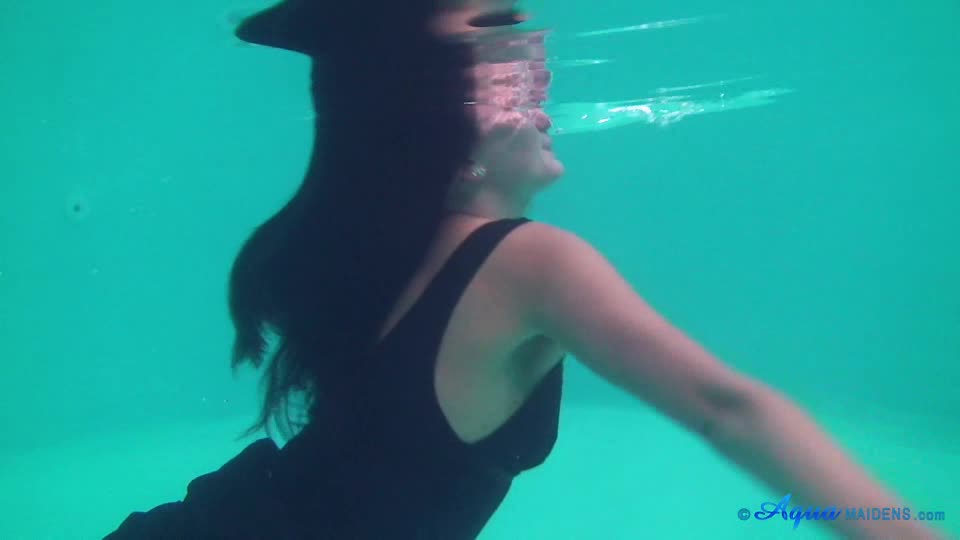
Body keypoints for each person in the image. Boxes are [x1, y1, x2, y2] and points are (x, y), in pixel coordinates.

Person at [105, 1, 944, 539]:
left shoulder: (380, 245)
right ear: (414, 90)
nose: (539, 60)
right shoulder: (528, 263)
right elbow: (728, 410)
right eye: (498, 25)